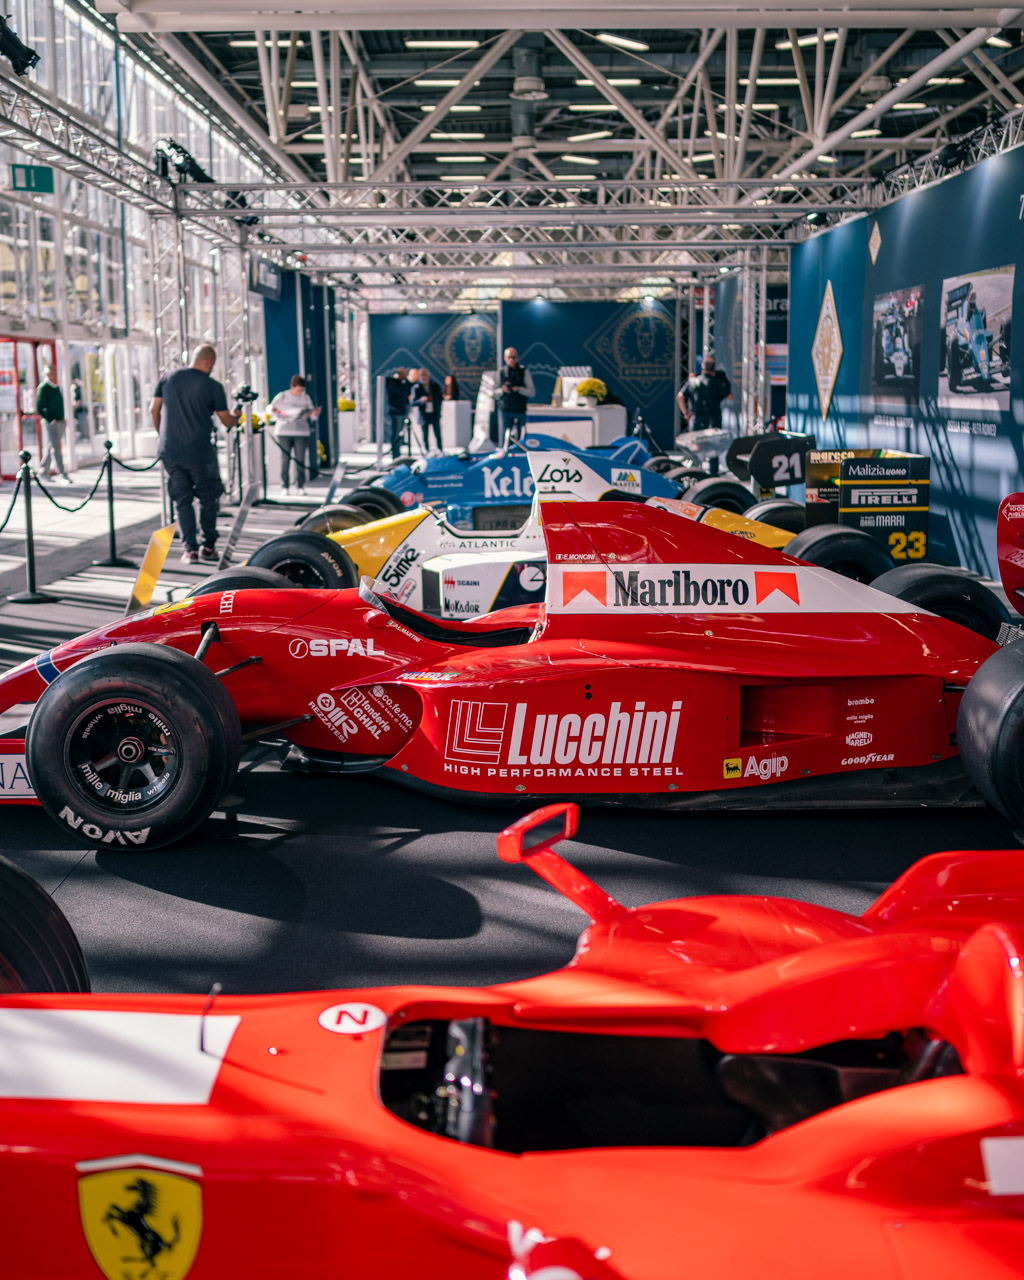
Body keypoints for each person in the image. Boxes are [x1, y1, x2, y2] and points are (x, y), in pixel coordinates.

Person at [150, 343, 238, 565]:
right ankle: (209, 546)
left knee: (182, 500)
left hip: (170, 451)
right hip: (200, 452)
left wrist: (163, 435)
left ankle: (190, 550)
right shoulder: (212, 386)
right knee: (208, 499)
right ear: (209, 362)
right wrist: (237, 413)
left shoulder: (168, 377)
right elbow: (227, 421)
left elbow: (154, 409)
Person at [269, 374, 316, 495]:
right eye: (298, 390)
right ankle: (285, 485)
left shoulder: (306, 397)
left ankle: (300, 485)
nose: (300, 392)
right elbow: (271, 409)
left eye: (302, 390)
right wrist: (282, 413)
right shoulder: (282, 396)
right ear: (292, 387)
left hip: (302, 431)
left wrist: (310, 413)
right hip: (284, 431)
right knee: (285, 459)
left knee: (300, 460)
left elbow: (312, 413)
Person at [677, 354, 732, 432]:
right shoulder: (717, 383)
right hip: (713, 421)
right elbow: (730, 396)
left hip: (697, 421)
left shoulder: (692, 381)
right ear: (713, 370)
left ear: (702, 368)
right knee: (713, 439)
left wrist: (686, 413)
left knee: (696, 440)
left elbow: (680, 397)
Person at [36, 365, 71, 484]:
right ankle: (62, 473)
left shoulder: (57, 387)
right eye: (51, 373)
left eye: (55, 373)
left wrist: (62, 418)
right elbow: (40, 408)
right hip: (51, 423)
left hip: (60, 421)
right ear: (47, 375)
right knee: (56, 448)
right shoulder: (44, 388)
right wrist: (51, 419)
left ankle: (43, 471)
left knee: (51, 447)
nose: (54, 376)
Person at [496, 347, 535, 441]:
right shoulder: (501, 372)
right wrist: (503, 390)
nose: (511, 360)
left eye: (513, 357)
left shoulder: (523, 371)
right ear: (505, 358)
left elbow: (532, 392)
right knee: (506, 435)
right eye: (509, 357)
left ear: (517, 358)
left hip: (520, 409)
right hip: (506, 409)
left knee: (521, 436)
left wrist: (519, 389)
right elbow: (493, 393)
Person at [410, 366, 443, 451]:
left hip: (434, 414)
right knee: (425, 435)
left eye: (425, 374)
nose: (423, 377)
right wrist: (421, 400)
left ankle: (440, 450)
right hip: (424, 415)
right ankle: (426, 451)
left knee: (437, 433)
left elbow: (440, 399)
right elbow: (412, 402)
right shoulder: (416, 387)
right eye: (421, 375)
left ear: (428, 375)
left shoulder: (435, 386)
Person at [384, 366, 410, 458]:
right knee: (396, 434)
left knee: (401, 434)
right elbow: (398, 391)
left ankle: (398, 453)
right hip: (396, 412)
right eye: (402, 374)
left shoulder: (405, 382)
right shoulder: (392, 383)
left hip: (403, 411)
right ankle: (395, 454)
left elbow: (408, 389)